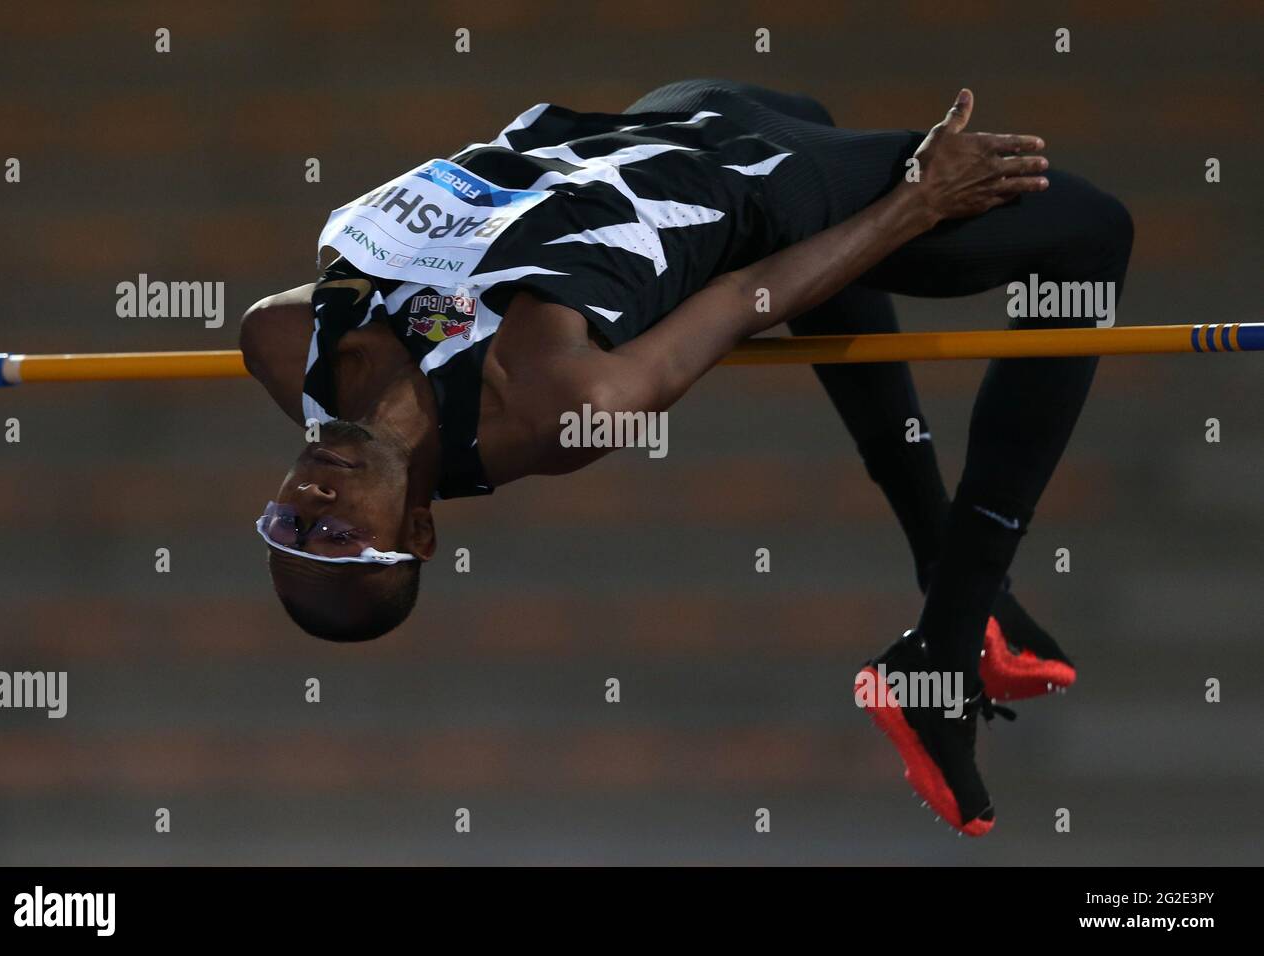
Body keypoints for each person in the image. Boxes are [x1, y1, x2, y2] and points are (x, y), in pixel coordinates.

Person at [239, 79, 1133, 835]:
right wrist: (918, 203)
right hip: (753, 183)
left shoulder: (284, 342)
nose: (313, 502)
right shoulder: (557, 406)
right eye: (335, 538)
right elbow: (749, 296)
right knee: (1091, 235)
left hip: (650, 122)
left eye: (289, 526)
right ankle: (944, 648)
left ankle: (956, 584)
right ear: (421, 532)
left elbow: (417, 288)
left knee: (799, 101)